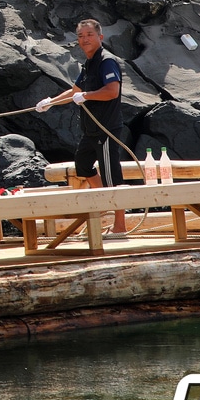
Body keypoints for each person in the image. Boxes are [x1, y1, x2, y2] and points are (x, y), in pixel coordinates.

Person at [36, 18, 128, 237]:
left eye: (89, 35)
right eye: (80, 36)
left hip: (106, 129)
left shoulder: (106, 61)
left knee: (111, 175)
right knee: (83, 164)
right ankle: (104, 201)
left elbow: (112, 91)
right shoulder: (88, 64)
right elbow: (74, 91)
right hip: (91, 131)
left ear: (100, 37)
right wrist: (50, 102)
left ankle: (120, 226)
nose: (85, 39)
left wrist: (86, 96)